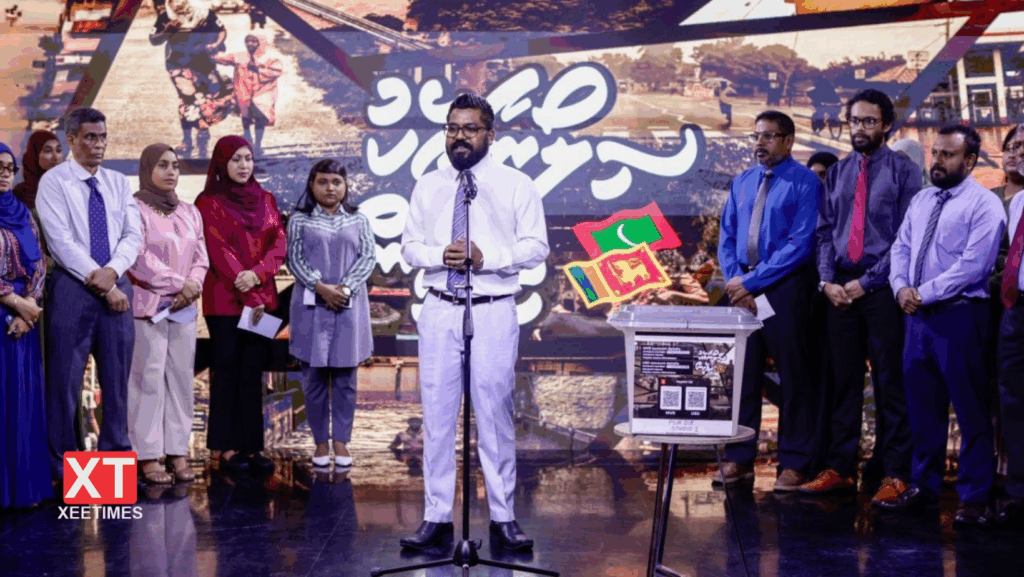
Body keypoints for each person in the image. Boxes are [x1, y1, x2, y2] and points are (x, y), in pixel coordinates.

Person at [399, 93, 549, 551]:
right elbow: (409, 247)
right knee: (437, 415)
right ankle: (436, 516)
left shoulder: (516, 184)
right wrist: (437, 254)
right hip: (440, 306)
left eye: (469, 129)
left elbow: (536, 247)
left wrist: (489, 258)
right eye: (452, 128)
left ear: (490, 134)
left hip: (493, 307)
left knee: (494, 414)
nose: (459, 137)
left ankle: (503, 517)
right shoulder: (428, 185)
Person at [881, 125, 1005, 527]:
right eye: (935, 153)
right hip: (917, 318)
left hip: (960, 317)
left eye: (947, 155)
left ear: (969, 161)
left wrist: (922, 293)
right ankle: (924, 488)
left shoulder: (985, 204)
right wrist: (900, 288)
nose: (937, 161)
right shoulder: (922, 199)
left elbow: (974, 266)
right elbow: (900, 248)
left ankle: (974, 497)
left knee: (971, 410)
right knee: (923, 409)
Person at [803, 89, 921, 504]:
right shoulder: (837, 172)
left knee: (891, 383)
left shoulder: (904, 171)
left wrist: (867, 282)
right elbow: (824, 233)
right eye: (854, 120)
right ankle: (839, 469)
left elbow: (906, 238)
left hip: (882, 290)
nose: (860, 128)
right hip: (839, 291)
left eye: (869, 121)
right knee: (843, 383)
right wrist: (826, 281)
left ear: (886, 125)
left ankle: (894, 474)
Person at [715, 110, 821, 491]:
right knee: (743, 376)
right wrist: (735, 281)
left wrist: (751, 282)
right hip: (742, 291)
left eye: (769, 136)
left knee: (794, 378)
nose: (759, 143)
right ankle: (740, 459)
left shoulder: (806, 183)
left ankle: (794, 463)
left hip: (785, 289)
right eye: (756, 136)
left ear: (788, 141)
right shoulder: (743, 182)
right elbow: (727, 237)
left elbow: (800, 244)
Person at [36, 107, 143, 480]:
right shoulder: (55, 182)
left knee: (116, 385)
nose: (98, 145)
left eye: (103, 137)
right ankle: (62, 472)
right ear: (71, 140)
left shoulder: (117, 182)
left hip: (117, 285)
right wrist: (103, 281)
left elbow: (133, 235)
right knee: (64, 384)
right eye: (90, 137)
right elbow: (60, 240)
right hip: (73, 287)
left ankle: (114, 475)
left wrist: (113, 274)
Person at [195, 135, 286, 474]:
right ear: (222, 163)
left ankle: (252, 446)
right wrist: (250, 292)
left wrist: (258, 276)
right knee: (226, 372)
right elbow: (218, 250)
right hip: (225, 302)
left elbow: (278, 243)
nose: (243, 165)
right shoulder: (208, 201)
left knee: (252, 374)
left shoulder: (266, 199)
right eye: (236, 159)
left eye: (248, 158)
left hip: (262, 301)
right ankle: (225, 447)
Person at [126, 144, 209, 485]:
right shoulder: (134, 209)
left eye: (175, 165)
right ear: (148, 169)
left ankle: (177, 452)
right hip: (148, 307)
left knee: (180, 379)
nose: (171, 171)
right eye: (162, 165)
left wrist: (193, 284)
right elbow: (138, 257)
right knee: (147, 379)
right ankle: (147, 456)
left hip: (184, 308)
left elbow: (201, 256)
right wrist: (179, 284)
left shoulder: (190, 212)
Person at [287, 159, 375, 469]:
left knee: (345, 380)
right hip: (311, 306)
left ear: (345, 186)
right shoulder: (299, 220)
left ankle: (341, 442)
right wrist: (321, 287)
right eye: (323, 182)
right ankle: (321, 443)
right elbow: (294, 259)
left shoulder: (359, 219)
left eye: (336, 182)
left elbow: (368, 257)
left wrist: (346, 288)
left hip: (349, 307)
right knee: (313, 380)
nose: (330, 188)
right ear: (312, 185)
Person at [0, 141, 51, 508]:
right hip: (6, 309)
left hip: (24, 319)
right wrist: (15, 302)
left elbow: (39, 262)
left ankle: (23, 489)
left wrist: (29, 305)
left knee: (21, 397)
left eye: (8, 168)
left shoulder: (20, 211)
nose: (4, 174)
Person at [149, 0, 233, 158]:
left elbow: (221, 30)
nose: (179, 4)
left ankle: (200, 133)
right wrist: (167, 31)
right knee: (188, 98)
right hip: (177, 64)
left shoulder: (204, 13)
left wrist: (216, 44)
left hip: (203, 64)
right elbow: (153, 39)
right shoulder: (166, 16)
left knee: (207, 98)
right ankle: (191, 139)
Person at [994, 124, 1024, 529]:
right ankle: (1018, 492)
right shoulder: (1015, 204)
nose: (1018, 152)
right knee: (1013, 403)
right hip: (1015, 311)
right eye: (1014, 145)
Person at [213, 32, 283, 158]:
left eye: (253, 41)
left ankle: (258, 145)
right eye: (247, 41)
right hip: (243, 90)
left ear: (260, 42)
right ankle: (248, 137)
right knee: (245, 115)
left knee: (261, 116)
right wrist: (211, 51)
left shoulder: (269, 57)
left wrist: (258, 68)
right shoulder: (239, 56)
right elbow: (223, 59)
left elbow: (278, 71)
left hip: (262, 91)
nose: (250, 44)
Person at [13, 130, 62, 211]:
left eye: (58, 150)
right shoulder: (21, 194)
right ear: (35, 155)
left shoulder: (67, 189)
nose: (55, 157)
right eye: (48, 151)